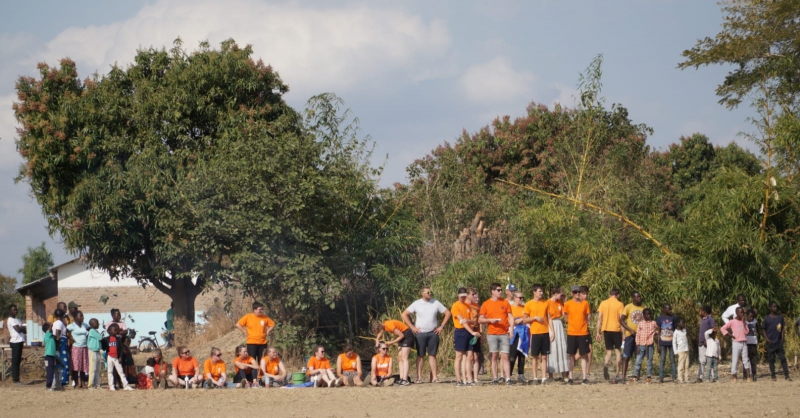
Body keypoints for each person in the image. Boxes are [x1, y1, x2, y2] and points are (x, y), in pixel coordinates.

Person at [401, 286, 450, 384]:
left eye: (431, 292)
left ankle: (434, 377)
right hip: (420, 333)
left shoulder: (435, 302)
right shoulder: (417, 303)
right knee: (420, 355)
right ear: (422, 293)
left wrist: (441, 326)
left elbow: (447, 313)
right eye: (427, 292)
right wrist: (412, 327)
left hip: (433, 332)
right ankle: (419, 378)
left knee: (433, 355)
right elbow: (404, 314)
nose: (430, 294)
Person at [479, 282, 515, 385]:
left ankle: (508, 378)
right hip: (492, 334)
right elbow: (480, 319)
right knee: (494, 356)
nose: (500, 292)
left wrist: (511, 329)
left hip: (504, 333)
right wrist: (490, 320)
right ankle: (495, 378)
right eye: (498, 290)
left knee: (505, 356)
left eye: (501, 290)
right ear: (492, 291)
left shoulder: (505, 302)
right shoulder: (486, 304)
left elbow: (510, 316)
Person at [523, 284, 553, 385]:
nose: (541, 293)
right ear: (534, 292)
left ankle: (544, 377)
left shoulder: (545, 303)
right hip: (535, 333)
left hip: (545, 332)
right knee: (535, 356)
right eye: (539, 291)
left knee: (544, 356)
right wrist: (535, 318)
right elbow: (524, 319)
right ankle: (535, 378)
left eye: (542, 291)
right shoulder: (529, 304)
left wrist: (552, 331)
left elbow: (549, 318)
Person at [372, 318, 414, 386]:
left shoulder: (389, 325)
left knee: (404, 357)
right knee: (400, 358)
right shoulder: (384, 326)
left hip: (407, 335)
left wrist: (391, 342)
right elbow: (381, 333)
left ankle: (405, 379)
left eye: (378, 331)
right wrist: (377, 340)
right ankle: (401, 378)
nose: (379, 333)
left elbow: (401, 335)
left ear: (379, 327)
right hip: (401, 336)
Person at [562, 285, 591, 385]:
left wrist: (585, 325)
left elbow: (588, 317)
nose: (577, 294)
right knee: (571, 356)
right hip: (572, 333)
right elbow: (565, 317)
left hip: (583, 333)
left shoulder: (585, 303)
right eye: (575, 292)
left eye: (578, 292)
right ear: (571, 293)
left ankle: (584, 377)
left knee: (584, 355)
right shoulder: (568, 304)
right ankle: (570, 377)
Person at [451, 287, 479, 387]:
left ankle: (469, 379)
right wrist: (472, 331)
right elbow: (461, 321)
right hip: (460, 332)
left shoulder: (468, 306)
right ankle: (459, 380)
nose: (462, 298)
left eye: (464, 296)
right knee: (459, 356)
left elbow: (472, 321)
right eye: (461, 296)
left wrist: (467, 321)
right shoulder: (455, 306)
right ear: (458, 295)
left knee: (470, 356)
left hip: (468, 332)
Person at [595, 288, 624, 383]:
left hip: (606, 329)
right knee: (618, 351)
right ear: (618, 295)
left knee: (608, 352)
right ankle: (617, 373)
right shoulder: (620, 304)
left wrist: (597, 332)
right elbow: (621, 320)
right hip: (616, 329)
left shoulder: (603, 303)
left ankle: (606, 364)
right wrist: (623, 334)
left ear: (609, 294)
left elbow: (599, 318)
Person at [235, 301, 275, 367]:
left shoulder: (265, 318)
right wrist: (245, 332)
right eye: (260, 309)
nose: (261, 311)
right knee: (251, 360)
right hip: (251, 343)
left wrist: (268, 331)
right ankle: (252, 376)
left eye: (262, 309)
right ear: (254, 310)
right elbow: (238, 324)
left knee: (262, 361)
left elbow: (272, 324)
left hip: (262, 343)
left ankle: (261, 376)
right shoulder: (248, 317)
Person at [761, 301, 792, 381]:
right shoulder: (767, 318)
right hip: (770, 343)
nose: (775, 308)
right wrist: (767, 339)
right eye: (774, 307)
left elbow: (781, 329)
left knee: (782, 358)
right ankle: (773, 375)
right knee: (771, 360)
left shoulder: (780, 317)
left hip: (778, 342)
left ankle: (787, 375)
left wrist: (782, 339)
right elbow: (763, 329)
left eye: (776, 307)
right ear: (770, 308)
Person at [720, 306, 751, 383]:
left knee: (745, 359)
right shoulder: (732, 321)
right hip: (736, 342)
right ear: (736, 313)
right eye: (740, 312)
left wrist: (744, 323)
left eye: (743, 313)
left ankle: (748, 376)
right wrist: (730, 335)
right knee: (735, 360)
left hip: (744, 342)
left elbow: (747, 332)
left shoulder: (744, 322)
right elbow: (722, 328)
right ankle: (734, 376)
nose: (742, 314)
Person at [619, 291, 645, 382]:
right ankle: (623, 377)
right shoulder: (628, 307)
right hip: (630, 336)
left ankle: (636, 376)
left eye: (640, 297)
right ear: (633, 298)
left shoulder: (643, 308)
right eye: (637, 297)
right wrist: (629, 329)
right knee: (626, 356)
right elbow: (621, 320)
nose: (639, 298)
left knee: (638, 356)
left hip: (640, 336)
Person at [103, 323, 134, 390]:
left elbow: (120, 349)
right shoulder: (106, 339)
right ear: (110, 331)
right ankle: (111, 386)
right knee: (110, 372)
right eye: (115, 330)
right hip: (110, 357)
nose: (117, 332)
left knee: (121, 372)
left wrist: (120, 357)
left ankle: (125, 385)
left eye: (117, 330)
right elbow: (104, 347)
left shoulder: (118, 339)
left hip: (117, 358)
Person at [546, 287, 569, 381]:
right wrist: (552, 331)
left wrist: (565, 301)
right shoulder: (548, 302)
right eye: (560, 294)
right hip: (551, 324)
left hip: (559, 324)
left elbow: (564, 313)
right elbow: (548, 317)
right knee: (552, 348)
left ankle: (564, 374)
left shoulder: (560, 302)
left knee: (562, 348)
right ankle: (550, 375)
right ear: (555, 293)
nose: (561, 295)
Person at [632, 308, 658, 383]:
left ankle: (648, 376)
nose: (649, 315)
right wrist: (637, 345)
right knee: (638, 360)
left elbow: (658, 329)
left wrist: (655, 333)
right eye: (647, 314)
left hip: (649, 345)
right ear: (643, 315)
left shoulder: (653, 323)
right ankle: (635, 376)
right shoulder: (641, 323)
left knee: (649, 361)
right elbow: (638, 334)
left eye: (650, 314)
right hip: (641, 345)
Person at [66, 311, 90, 388]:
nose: (82, 317)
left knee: (83, 366)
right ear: (75, 317)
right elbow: (65, 332)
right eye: (80, 316)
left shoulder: (85, 325)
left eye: (82, 316)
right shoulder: (72, 326)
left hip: (84, 347)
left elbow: (90, 330)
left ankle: (82, 383)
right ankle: (76, 382)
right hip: (76, 347)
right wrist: (70, 338)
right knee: (76, 366)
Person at [508, 290, 528, 384]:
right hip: (514, 333)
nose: (521, 299)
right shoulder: (510, 308)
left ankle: (521, 375)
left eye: (522, 297)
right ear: (514, 298)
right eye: (519, 298)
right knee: (512, 355)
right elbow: (509, 320)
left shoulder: (524, 307)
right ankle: (509, 375)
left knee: (522, 355)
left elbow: (527, 318)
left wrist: (522, 320)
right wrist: (517, 321)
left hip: (523, 332)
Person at [655, 303, 677, 383]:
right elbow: (658, 331)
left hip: (672, 342)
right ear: (664, 310)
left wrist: (676, 342)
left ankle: (674, 377)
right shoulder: (660, 318)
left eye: (670, 309)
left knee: (672, 360)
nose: (670, 310)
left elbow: (675, 330)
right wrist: (658, 344)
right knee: (662, 359)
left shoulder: (674, 318)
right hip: (663, 342)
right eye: (668, 309)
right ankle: (661, 377)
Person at [695, 305, 715, 383]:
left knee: (710, 360)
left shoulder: (710, 319)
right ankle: (700, 377)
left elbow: (714, 330)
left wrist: (708, 340)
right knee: (701, 361)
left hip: (707, 343)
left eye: (701, 311)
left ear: (704, 311)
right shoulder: (703, 320)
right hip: (701, 344)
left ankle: (714, 377)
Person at [7, 304, 26, 385]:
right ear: (10, 311)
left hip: (20, 341)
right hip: (15, 342)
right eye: (13, 310)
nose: (15, 311)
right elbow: (18, 329)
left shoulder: (18, 320)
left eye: (16, 310)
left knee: (18, 360)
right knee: (15, 361)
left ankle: (17, 378)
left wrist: (22, 328)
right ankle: (15, 379)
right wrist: (22, 328)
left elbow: (25, 330)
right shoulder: (10, 319)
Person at [51, 308, 70, 386]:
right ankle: (63, 380)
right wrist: (58, 345)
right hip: (61, 342)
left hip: (60, 342)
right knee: (63, 362)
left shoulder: (56, 322)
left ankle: (60, 379)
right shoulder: (59, 323)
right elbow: (58, 334)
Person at [43, 322, 63, 391]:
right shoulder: (47, 335)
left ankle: (53, 385)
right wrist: (51, 323)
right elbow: (50, 327)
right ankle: (48, 386)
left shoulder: (51, 336)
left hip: (52, 356)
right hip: (48, 356)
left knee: (52, 371)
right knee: (50, 371)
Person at [86, 318, 103, 389]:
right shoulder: (92, 331)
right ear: (92, 324)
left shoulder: (95, 331)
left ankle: (97, 384)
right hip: (92, 351)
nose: (98, 324)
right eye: (97, 323)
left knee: (97, 369)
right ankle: (90, 384)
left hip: (97, 351)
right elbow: (100, 337)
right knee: (93, 368)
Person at [672, 317, 689, 383]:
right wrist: (675, 352)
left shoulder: (684, 330)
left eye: (684, 322)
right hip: (680, 351)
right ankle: (680, 378)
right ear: (678, 323)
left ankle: (686, 378)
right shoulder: (676, 332)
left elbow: (686, 339)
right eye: (682, 323)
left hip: (686, 350)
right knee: (681, 365)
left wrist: (688, 346)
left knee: (686, 365)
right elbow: (674, 342)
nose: (684, 324)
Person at [745, 309, 759, 382]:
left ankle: (754, 374)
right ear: (746, 316)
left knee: (753, 360)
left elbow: (758, 330)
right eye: (750, 316)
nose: (751, 318)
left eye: (752, 317)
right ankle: (746, 375)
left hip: (753, 343)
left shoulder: (755, 321)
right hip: (746, 343)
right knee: (746, 360)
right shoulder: (744, 322)